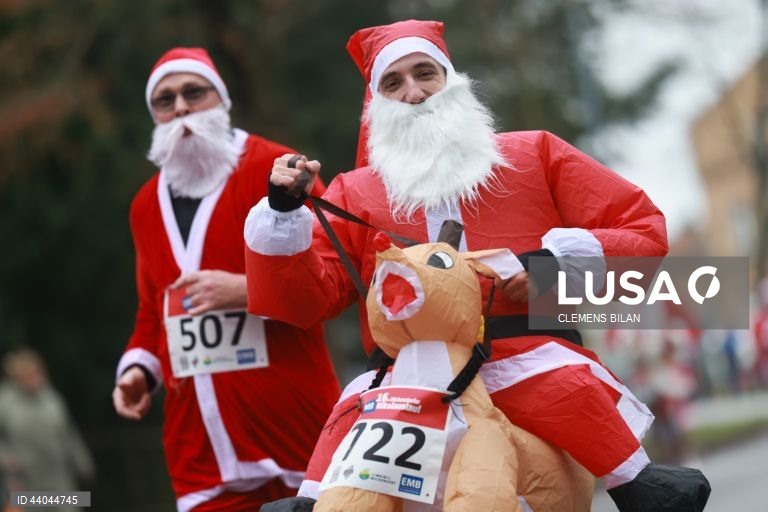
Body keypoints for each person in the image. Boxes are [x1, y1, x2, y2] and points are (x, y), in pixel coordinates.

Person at [244, 21, 710, 512]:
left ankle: (636, 481)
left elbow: (643, 231)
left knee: (564, 394)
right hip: (406, 381)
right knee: (352, 423)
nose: (414, 92)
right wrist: (282, 213)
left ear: (452, 79)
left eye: (425, 73)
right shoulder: (352, 192)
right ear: (376, 103)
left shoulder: (535, 154)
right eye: (393, 83)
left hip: (527, 356)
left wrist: (551, 270)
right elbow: (303, 301)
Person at [112, 47, 340, 512]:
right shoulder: (144, 206)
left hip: (294, 427)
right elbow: (151, 310)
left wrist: (246, 290)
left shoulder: (275, 169)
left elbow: (337, 273)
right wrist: (138, 371)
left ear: (221, 99)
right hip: (201, 449)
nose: (179, 108)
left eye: (194, 93)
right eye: (165, 100)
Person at [0, 348, 94, 511]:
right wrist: (7, 458)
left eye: (37, 372)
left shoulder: (52, 399)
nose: (34, 378)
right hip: (25, 481)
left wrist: (83, 462)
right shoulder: (5, 403)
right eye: (28, 374)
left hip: (59, 477)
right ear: (17, 376)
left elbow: (68, 433)